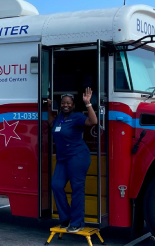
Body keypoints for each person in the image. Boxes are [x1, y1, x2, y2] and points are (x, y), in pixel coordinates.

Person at [46, 88, 98, 233]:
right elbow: (51, 124)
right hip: (63, 159)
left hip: (78, 157)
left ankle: (77, 222)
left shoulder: (76, 117)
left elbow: (93, 121)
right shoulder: (60, 118)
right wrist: (49, 108)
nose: (65, 105)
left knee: (77, 189)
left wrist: (88, 103)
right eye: (63, 103)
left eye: (68, 103)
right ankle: (66, 219)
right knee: (56, 185)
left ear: (73, 105)